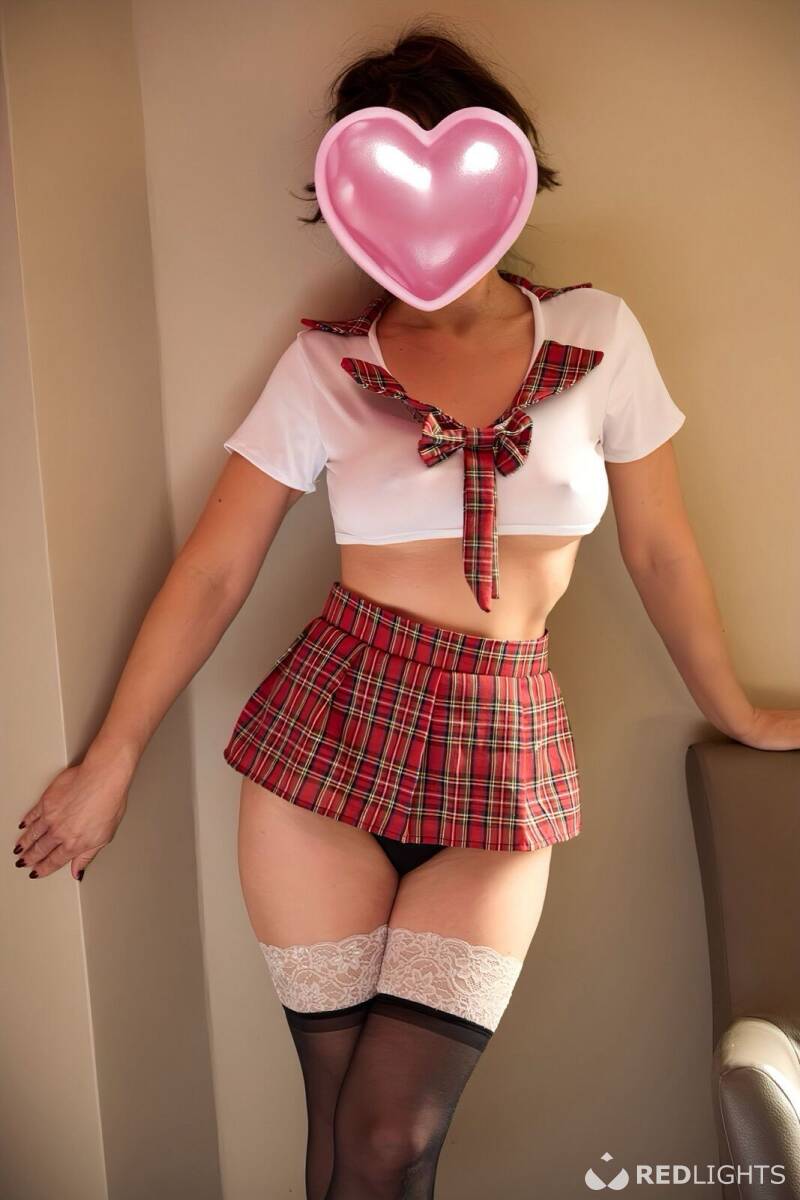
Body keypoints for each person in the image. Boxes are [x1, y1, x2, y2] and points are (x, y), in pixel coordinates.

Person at [13, 21, 800, 1200]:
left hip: (503, 748)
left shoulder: (597, 335)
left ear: (506, 177)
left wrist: (733, 708)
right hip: (325, 743)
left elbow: (658, 549)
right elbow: (215, 570)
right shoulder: (328, 365)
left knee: (389, 1134)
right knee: (345, 1135)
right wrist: (112, 759)